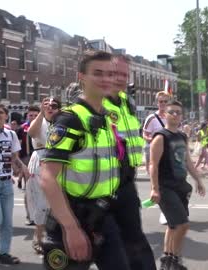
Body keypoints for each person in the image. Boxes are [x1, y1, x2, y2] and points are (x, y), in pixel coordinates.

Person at [40, 50, 131, 269]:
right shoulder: (70, 119)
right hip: (71, 220)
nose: (106, 79)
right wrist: (71, 228)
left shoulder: (107, 118)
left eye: (110, 74)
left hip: (103, 217)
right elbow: (47, 177)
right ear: (81, 77)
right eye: (97, 73)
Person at [102, 55, 156, 270]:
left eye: (125, 74)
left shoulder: (127, 102)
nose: (121, 78)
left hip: (126, 181)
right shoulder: (97, 102)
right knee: (110, 249)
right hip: (103, 185)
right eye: (116, 73)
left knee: (135, 242)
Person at [149, 100, 206, 270]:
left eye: (178, 112)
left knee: (173, 226)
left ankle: (167, 262)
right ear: (165, 114)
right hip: (165, 187)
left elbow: (187, 161)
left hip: (181, 185)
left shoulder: (182, 136)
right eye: (171, 112)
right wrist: (154, 188)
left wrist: (198, 180)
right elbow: (153, 164)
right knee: (183, 224)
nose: (175, 115)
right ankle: (174, 260)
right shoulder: (160, 137)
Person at [26, 97, 61, 255]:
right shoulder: (41, 122)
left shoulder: (62, 123)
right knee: (42, 202)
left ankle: (55, 237)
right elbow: (32, 133)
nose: (50, 108)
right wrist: (41, 113)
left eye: (54, 106)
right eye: (47, 106)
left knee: (57, 204)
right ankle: (38, 237)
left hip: (59, 163)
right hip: (41, 161)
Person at [0, 104, 29, 265]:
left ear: (6, 116)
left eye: (1, 112)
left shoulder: (10, 135)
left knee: (7, 223)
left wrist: (21, 167)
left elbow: (14, 156)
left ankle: (3, 253)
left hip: (6, 182)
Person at [143, 91, 170, 174]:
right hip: (154, 151)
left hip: (167, 151)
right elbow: (145, 134)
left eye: (165, 101)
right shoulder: (151, 118)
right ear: (157, 103)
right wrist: (152, 140)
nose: (163, 103)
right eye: (161, 101)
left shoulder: (171, 118)